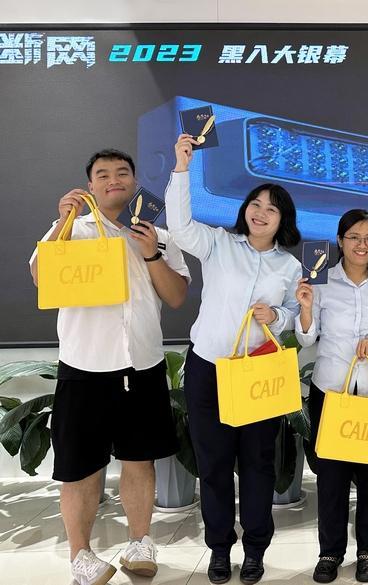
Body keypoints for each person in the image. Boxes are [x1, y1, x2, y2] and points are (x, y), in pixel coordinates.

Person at [29, 149, 190, 585]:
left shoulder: (157, 234)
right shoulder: (71, 230)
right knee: (80, 467)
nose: (113, 179)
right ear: (90, 185)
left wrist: (152, 254)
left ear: (134, 181)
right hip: (84, 365)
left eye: (122, 172)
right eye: (102, 174)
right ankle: (81, 556)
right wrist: (62, 221)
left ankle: (140, 542)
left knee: (140, 459)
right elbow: (41, 276)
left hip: (142, 364)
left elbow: (177, 296)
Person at [166, 134, 302, 585]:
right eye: (255, 204)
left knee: (259, 464)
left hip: (257, 372)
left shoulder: (289, 266)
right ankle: (220, 549)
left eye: (271, 209)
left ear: (282, 220)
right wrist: (182, 167)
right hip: (208, 369)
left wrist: (277, 315)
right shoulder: (218, 243)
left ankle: (256, 549)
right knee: (214, 465)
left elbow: (293, 315)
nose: (260, 212)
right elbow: (180, 226)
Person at [295, 209, 368, 584]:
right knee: (331, 477)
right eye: (354, 237)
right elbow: (307, 338)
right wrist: (306, 307)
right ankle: (330, 552)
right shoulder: (321, 281)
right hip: (331, 390)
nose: (362, 244)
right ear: (340, 241)